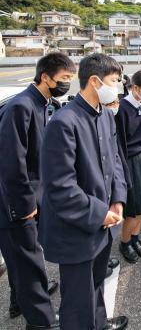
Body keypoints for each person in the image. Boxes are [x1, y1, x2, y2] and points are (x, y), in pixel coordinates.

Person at [38, 53, 128, 330]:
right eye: (115, 81)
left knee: (97, 286)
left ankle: (99, 324)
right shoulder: (63, 122)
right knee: (78, 303)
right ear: (94, 80)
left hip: (103, 224)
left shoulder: (105, 116)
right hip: (77, 229)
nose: (118, 88)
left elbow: (115, 161)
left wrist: (118, 200)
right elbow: (60, 187)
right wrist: (101, 213)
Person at [0, 52, 76, 330]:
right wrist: (24, 204)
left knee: (24, 258)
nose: (67, 83)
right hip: (16, 202)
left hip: (31, 195)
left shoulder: (42, 103)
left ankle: (22, 301)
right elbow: (11, 162)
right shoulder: (22, 106)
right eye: (64, 78)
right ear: (45, 76)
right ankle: (42, 321)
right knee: (27, 260)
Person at [116, 70, 141, 263]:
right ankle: (124, 242)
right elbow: (120, 143)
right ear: (134, 87)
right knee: (133, 207)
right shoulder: (122, 107)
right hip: (130, 161)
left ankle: (135, 238)